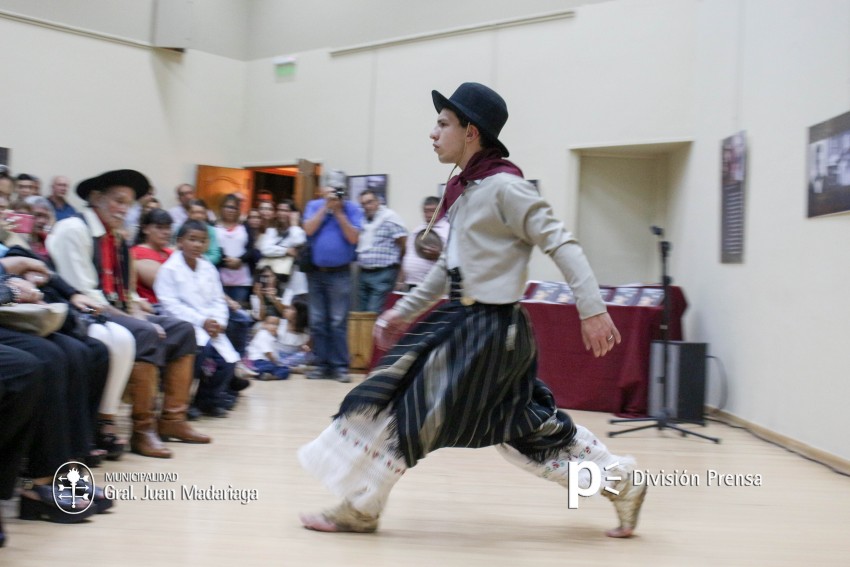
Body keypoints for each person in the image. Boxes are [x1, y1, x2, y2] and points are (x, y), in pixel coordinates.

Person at [298, 82, 645, 539]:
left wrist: (592, 308)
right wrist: (400, 311)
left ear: (471, 132)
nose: (433, 133)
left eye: (443, 124)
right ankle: (621, 482)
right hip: (465, 324)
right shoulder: (469, 190)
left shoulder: (507, 187)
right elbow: (446, 269)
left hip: (491, 331)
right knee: (524, 431)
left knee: (411, 411)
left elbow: (561, 242)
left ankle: (362, 508)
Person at [47, 169, 210, 458]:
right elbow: (84, 294)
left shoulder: (117, 237)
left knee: (183, 329)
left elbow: (126, 292)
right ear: (96, 199)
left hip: (113, 309)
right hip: (81, 313)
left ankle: (173, 420)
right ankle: (142, 430)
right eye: (118, 200)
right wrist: (137, 320)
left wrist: (137, 308)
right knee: (146, 334)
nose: (124, 209)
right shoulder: (75, 229)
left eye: (129, 203)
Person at [155, 220, 240, 417]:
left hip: (210, 324)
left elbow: (218, 298)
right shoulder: (169, 269)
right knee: (198, 353)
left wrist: (219, 322)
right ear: (180, 241)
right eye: (192, 239)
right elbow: (170, 305)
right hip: (182, 325)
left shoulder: (207, 267)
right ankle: (183, 402)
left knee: (227, 362)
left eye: (202, 241)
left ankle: (207, 400)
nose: (197, 245)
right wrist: (201, 321)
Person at [302, 170, 363, 383]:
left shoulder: (352, 209)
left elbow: (354, 237)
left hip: (341, 274)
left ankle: (339, 367)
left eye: (338, 190)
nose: (334, 193)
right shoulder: (313, 205)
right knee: (318, 321)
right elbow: (308, 230)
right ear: (323, 189)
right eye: (330, 188)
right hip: (316, 274)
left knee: (337, 322)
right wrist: (324, 208)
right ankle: (320, 365)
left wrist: (338, 213)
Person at [356, 189, 406, 312]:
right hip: (363, 273)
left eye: (370, 202)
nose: (367, 206)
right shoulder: (362, 221)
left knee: (373, 312)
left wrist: (401, 276)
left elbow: (404, 246)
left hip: (383, 274)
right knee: (361, 313)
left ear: (378, 202)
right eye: (363, 204)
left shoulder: (390, 218)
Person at [399, 195, 450, 291]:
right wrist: (400, 281)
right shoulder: (417, 230)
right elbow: (407, 255)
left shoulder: (448, 231)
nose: (428, 214)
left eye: (432, 210)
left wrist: (439, 254)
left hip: (433, 286)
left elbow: (454, 259)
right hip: (411, 283)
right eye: (426, 211)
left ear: (441, 211)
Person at [130, 208, 173, 305]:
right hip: (155, 309)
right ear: (145, 229)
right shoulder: (137, 253)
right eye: (160, 227)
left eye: (168, 228)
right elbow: (166, 285)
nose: (166, 232)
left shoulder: (170, 252)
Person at [245, 315, 291, 381]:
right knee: (269, 367)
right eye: (271, 324)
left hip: (266, 362)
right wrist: (275, 363)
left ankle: (271, 376)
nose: (274, 326)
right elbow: (268, 353)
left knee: (285, 369)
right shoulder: (263, 334)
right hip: (256, 361)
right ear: (264, 325)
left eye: (277, 325)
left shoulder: (273, 336)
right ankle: (255, 372)